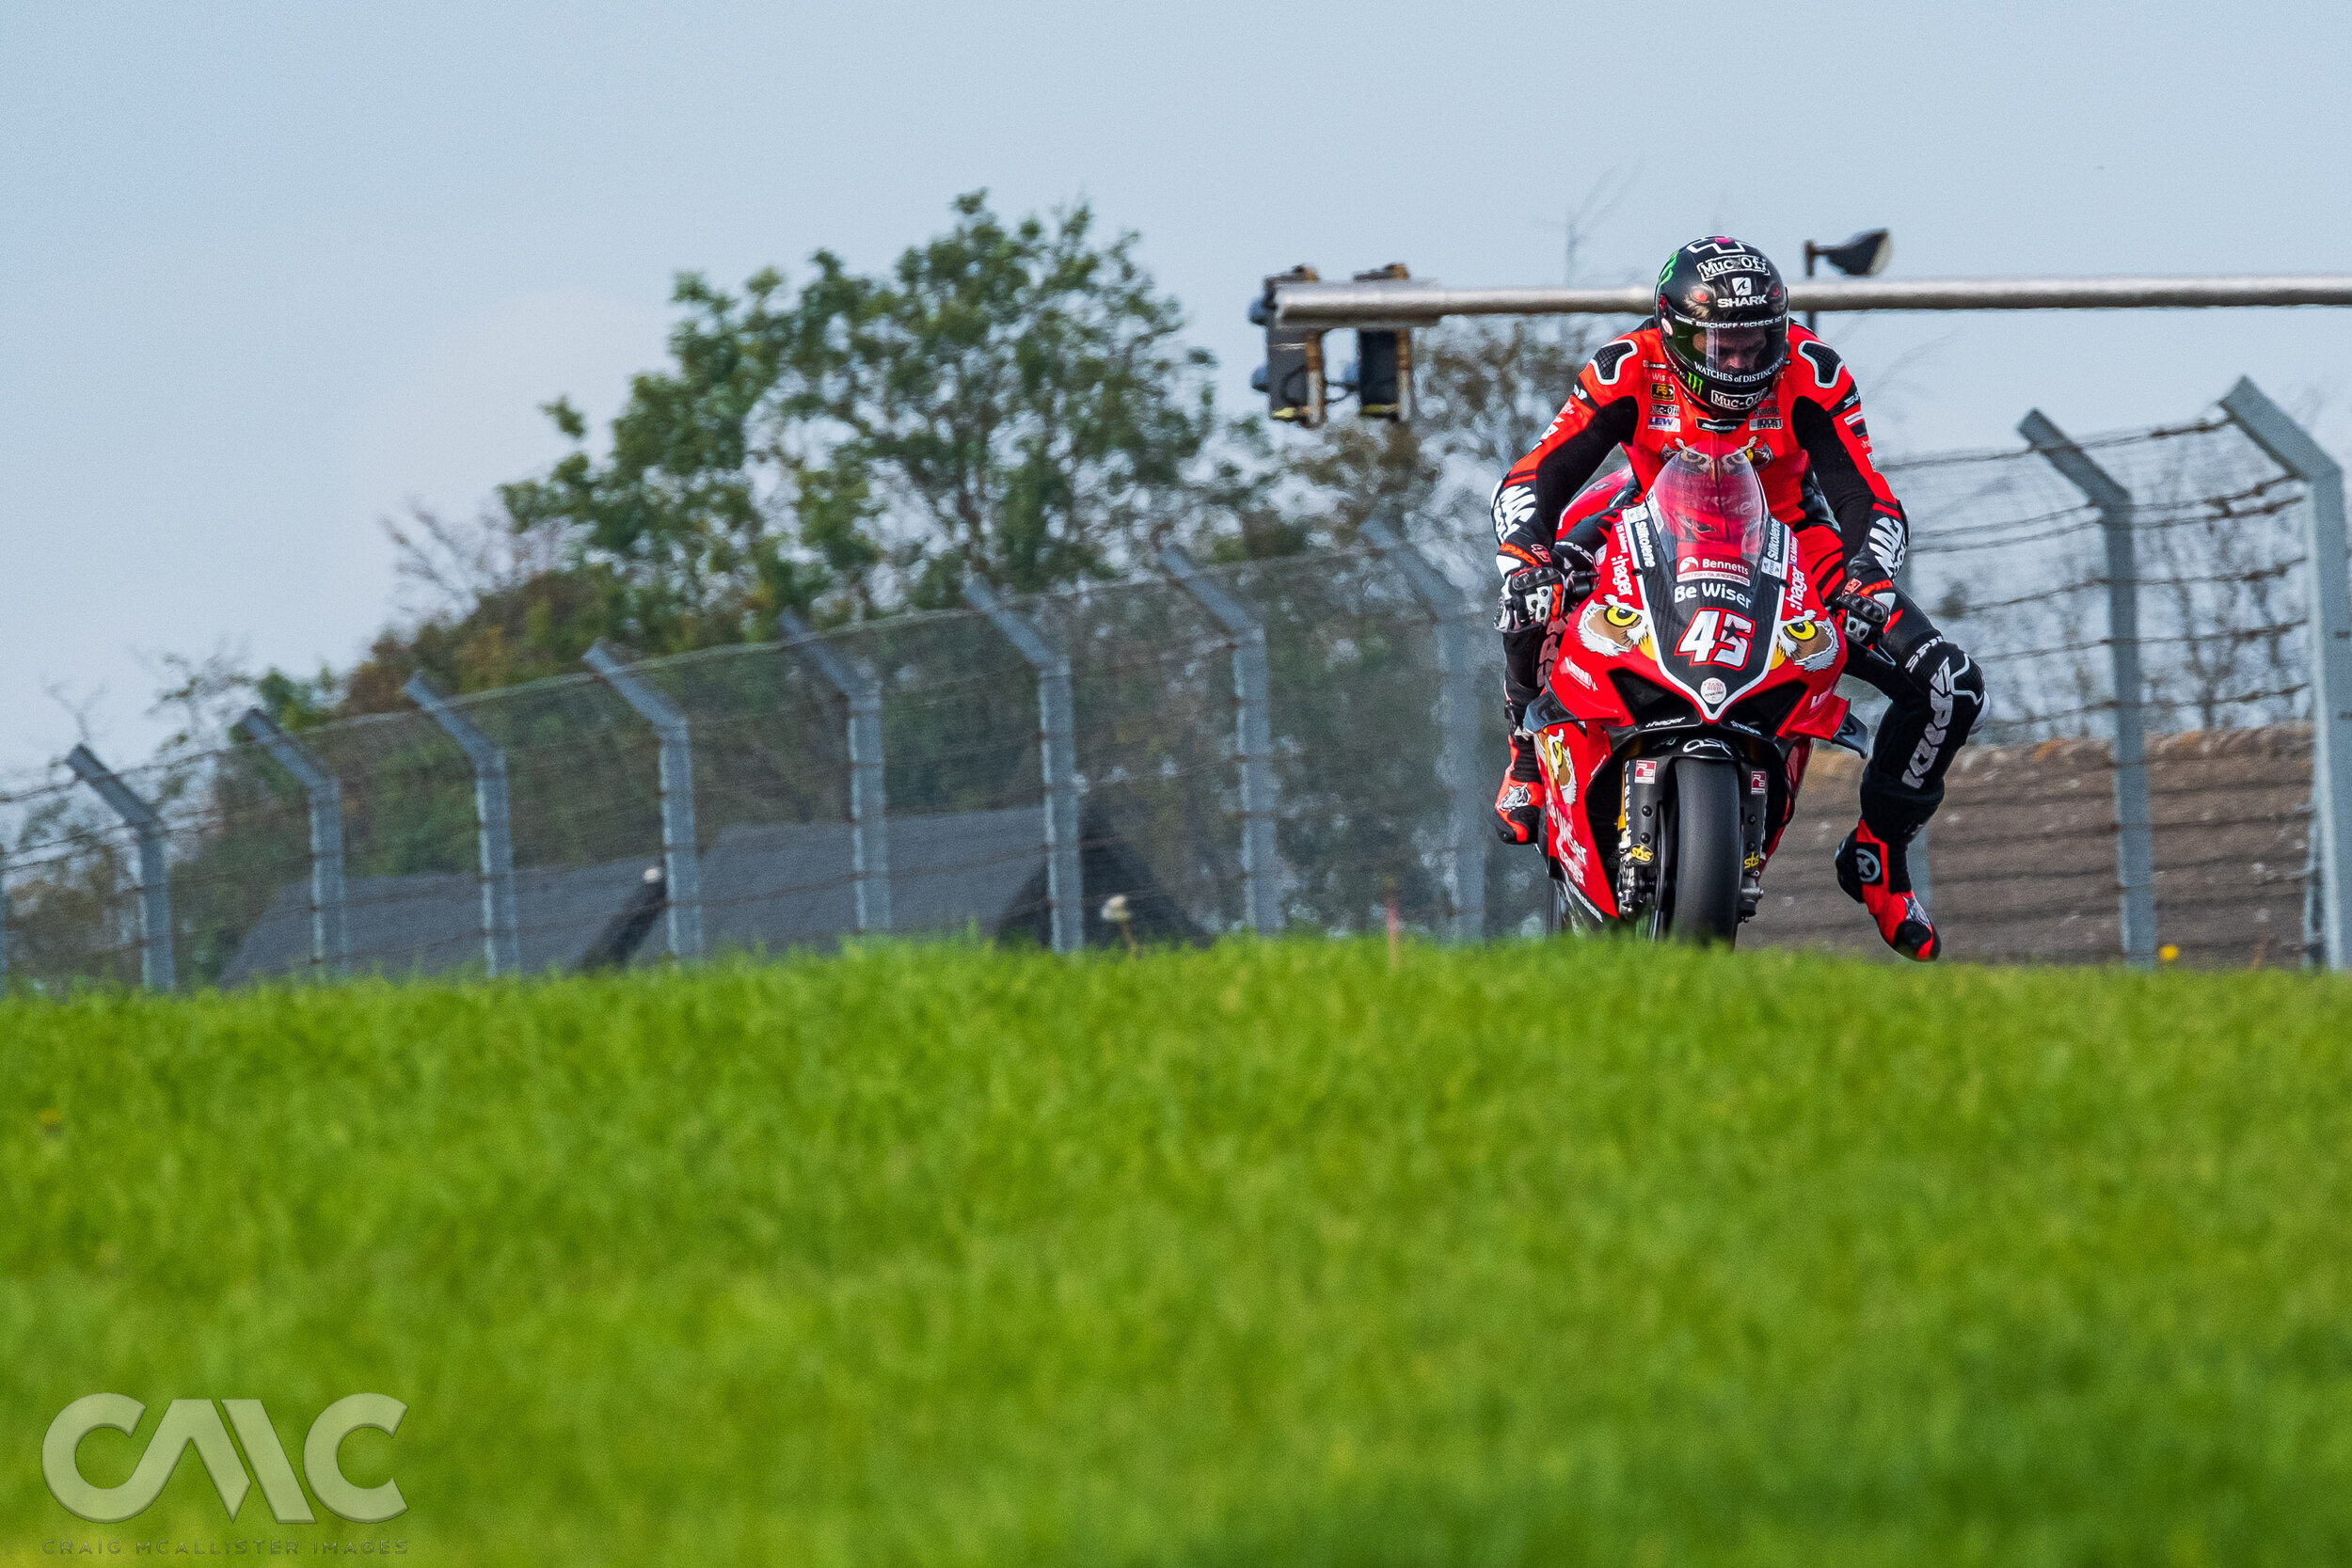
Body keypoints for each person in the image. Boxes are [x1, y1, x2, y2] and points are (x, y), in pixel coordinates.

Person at [1487, 236, 1984, 959]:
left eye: (1757, 344)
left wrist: (1866, 576)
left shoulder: (1813, 373)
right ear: (1675, 332)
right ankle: (1525, 757)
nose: (1742, 364)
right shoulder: (1628, 366)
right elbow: (1533, 475)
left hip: (1790, 532)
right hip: (1646, 515)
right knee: (1530, 595)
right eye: (1724, 345)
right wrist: (1526, 555)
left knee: (1950, 685)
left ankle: (1880, 857)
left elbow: (1869, 498)